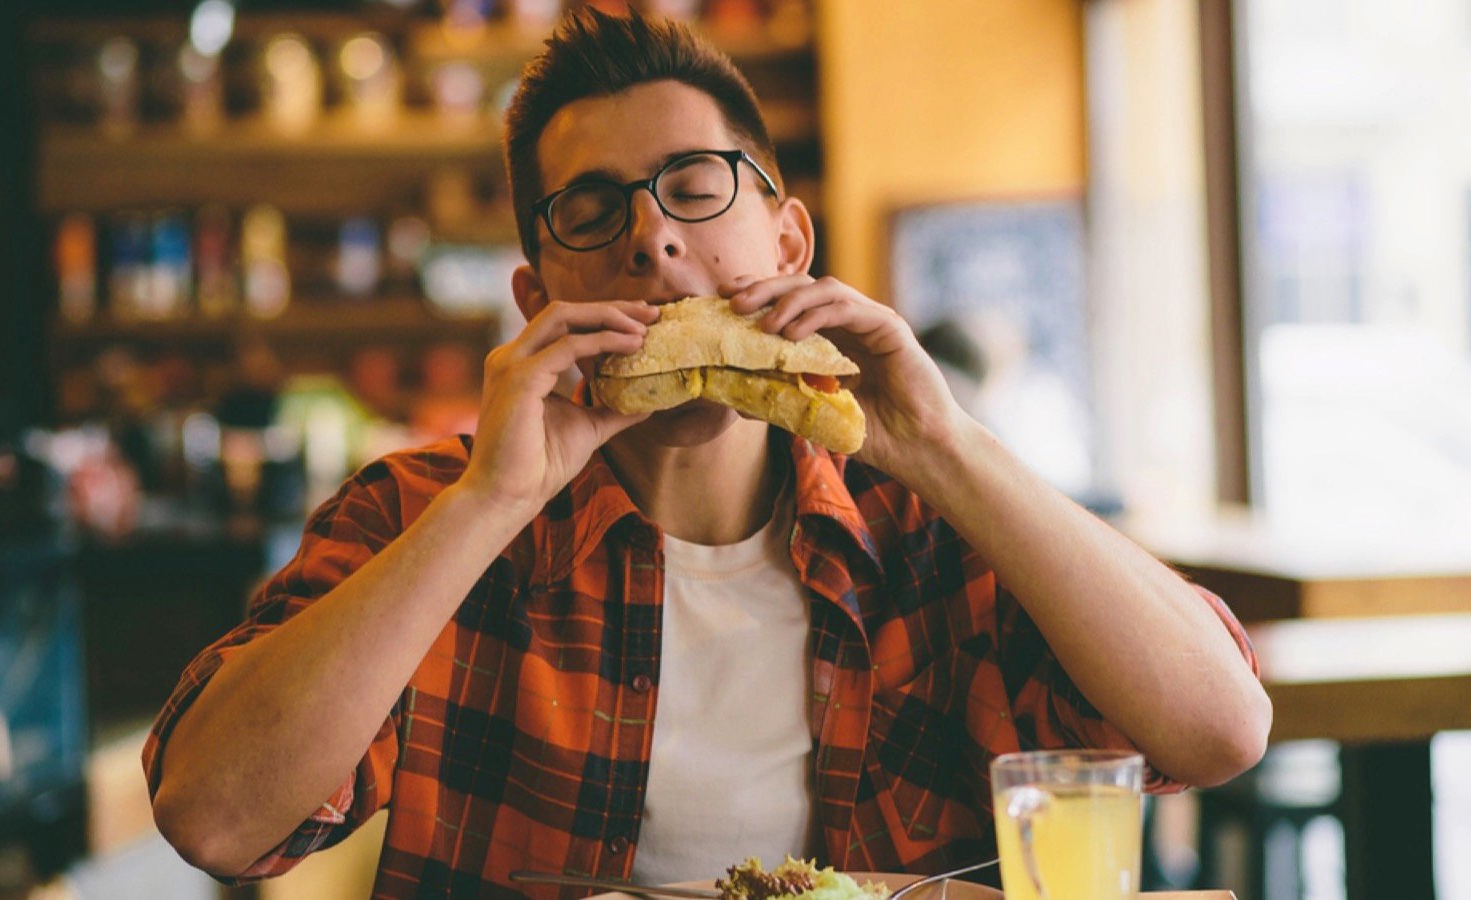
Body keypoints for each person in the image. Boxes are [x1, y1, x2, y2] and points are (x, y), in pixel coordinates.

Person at [144, 8, 1270, 896]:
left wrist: (946, 444)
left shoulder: (927, 517)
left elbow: (1220, 731)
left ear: (788, 242)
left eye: (694, 189)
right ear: (536, 299)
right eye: (592, 213)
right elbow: (215, 821)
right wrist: (488, 504)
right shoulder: (427, 512)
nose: (652, 240)